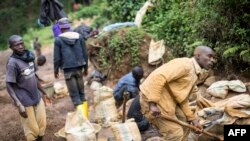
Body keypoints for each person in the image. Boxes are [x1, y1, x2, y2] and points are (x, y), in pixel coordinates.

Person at [140, 46, 215, 141]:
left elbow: (182, 98)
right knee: (175, 134)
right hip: (154, 99)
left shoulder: (194, 73)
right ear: (198, 55)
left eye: (213, 58)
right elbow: (159, 76)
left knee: (186, 123)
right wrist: (153, 104)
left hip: (168, 101)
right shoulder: (184, 64)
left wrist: (192, 119)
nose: (212, 60)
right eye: (209, 56)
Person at [6, 35, 50, 141]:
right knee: (31, 130)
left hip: (36, 96)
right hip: (24, 101)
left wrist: (44, 92)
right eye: (17, 45)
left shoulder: (29, 56)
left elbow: (34, 76)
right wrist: (19, 104)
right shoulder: (12, 63)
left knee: (42, 125)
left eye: (22, 43)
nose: (21, 46)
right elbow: (9, 84)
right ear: (11, 47)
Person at [53, 18, 88, 107]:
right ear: (69, 26)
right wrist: (86, 68)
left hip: (67, 69)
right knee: (81, 93)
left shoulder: (58, 40)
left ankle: (79, 115)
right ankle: (84, 114)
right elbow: (85, 53)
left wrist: (56, 70)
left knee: (74, 95)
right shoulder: (79, 36)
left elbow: (57, 58)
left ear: (60, 28)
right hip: (79, 66)